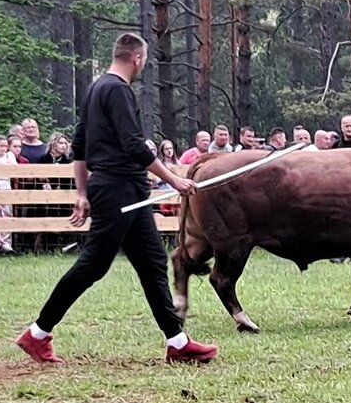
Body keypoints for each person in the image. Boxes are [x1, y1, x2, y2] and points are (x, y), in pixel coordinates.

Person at [15, 33, 216, 365]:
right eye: (145, 60)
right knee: (94, 263)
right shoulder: (117, 90)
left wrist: (82, 194)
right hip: (118, 189)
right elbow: (135, 146)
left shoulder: (96, 89)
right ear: (137, 58)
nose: (144, 65)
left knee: (152, 262)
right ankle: (37, 334)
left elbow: (79, 145)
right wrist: (175, 181)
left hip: (122, 190)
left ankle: (177, 343)